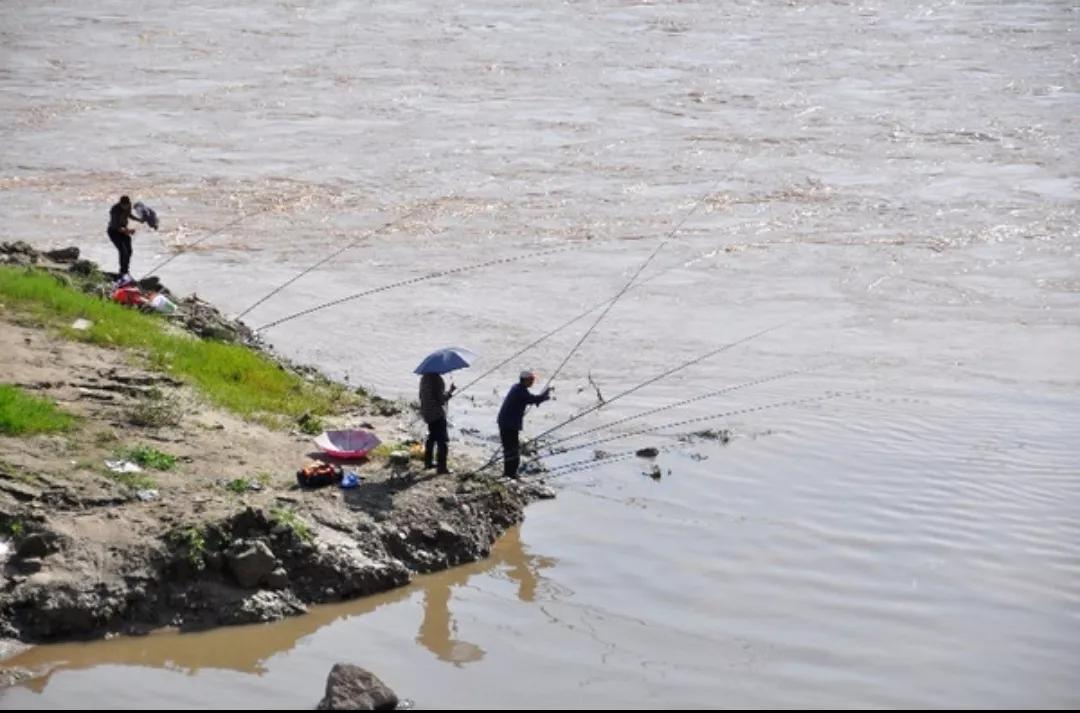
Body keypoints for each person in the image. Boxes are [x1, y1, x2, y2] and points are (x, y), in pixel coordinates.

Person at [496, 370, 552, 478]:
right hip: (509, 424)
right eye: (531, 380)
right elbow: (532, 399)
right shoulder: (520, 392)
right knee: (512, 450)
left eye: (533, 380)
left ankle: (509, 473)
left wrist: (542, 397)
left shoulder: (517, 388)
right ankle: (510, 474)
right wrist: (544, 396)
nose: (532, 382)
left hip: (507, 422)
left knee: (510, 449)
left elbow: (530, 399)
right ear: (525, 380)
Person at [419, 372, 456, 474]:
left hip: (426, 413)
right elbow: (441, 400)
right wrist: (450, 392)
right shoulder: (437, 379)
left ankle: (428, 462)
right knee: (442, 441)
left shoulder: (424, 378)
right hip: (436, 414)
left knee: (432, 437)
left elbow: (422, 396)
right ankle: (442, 468)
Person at [106, 195, 144, 279]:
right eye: (124, 205)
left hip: (123, 230)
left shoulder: (128, 206)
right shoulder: (115, 210)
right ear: (121, 204)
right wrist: (128, 231)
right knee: (123, 251)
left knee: (129, 251)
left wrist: (139, 219)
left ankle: (126, 270)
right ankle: (123, 272)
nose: (126, 207)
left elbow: (129, 215)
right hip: (114, 232)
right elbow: (117, 227)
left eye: (128, 205)